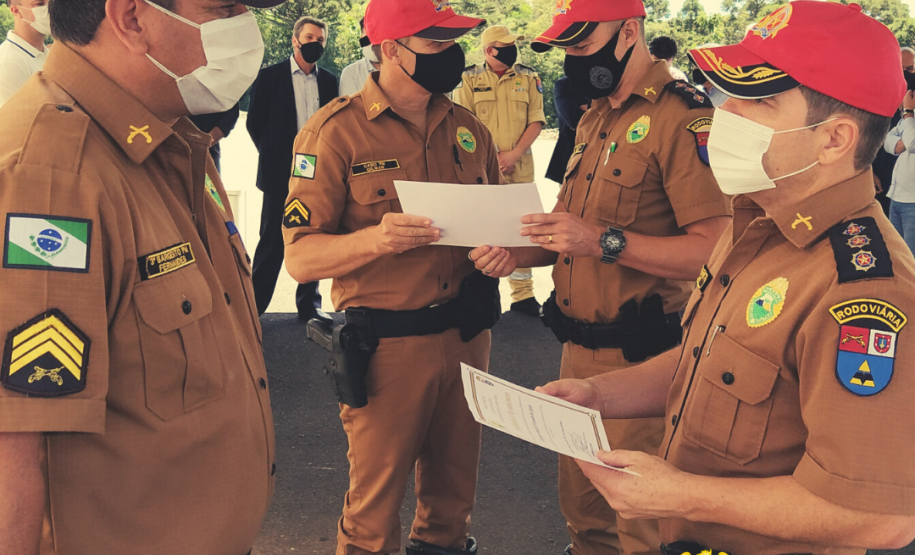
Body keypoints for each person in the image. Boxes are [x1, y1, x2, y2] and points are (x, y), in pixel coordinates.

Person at [538, 2, 915, 553]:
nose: (725, 114)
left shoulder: (864, 288)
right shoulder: (756, 225)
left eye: (757, 100)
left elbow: (880, 519)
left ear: (833, 139)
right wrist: (597, 394)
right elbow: (707, 358)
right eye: (728, 94)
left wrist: (681, 496)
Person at [0, 0, 280, 553]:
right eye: (223, 9)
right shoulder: (51, 176)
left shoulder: (169, 144)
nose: (245, 30)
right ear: (130, 18)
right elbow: (12, 446)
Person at [469, 1, 732, 553]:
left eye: (582, 45)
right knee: (585, 519)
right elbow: (568, 235)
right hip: (577, 354)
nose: (571, 59)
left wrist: (602, 242)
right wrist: (516, 254)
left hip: (645, 362)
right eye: (565, 48)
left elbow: (714, 252)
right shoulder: (596, 114)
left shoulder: (683, 115)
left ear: (630, 30)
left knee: (640, 525)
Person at [282, 0, 500, 553]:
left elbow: (510, 229)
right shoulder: (334, 133)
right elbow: (300, 259)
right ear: (389, 50)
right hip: (388, 348)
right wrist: (376, 239)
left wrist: (511, 253)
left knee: (453, 508)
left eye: (453, 44)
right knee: (373, 516)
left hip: (469, 339)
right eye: (435, 45)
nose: (450, 56)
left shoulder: (469, 129)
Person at [247, 16, 338, 320]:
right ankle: (253, 307)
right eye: (310, 37)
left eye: (321, 40)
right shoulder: (269, 77)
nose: (315, 44)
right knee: (271, 240)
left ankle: (309, 305)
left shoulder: (329, 81)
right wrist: (275, 154)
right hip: (278, 174)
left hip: (316, 173)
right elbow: (254, 122)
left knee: (313, 236)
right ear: (295, 40)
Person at [454, 24, 546, 317]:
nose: (512, 50)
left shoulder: (529, 77)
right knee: (480, 230)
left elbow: (536, 120)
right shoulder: (468, 78)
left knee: (522, 230)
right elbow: (462, 123)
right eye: (505, 46)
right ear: (488, 50)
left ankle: (523, 296)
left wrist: (515, 154)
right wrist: (491, 159)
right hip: (481, 167)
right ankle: (483, 294)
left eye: (513, 45)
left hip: (519, 166)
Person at [0, 0, 48, 107]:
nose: (49, 9)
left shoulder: (48, 54)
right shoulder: (8, 64)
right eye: (39, 4)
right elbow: (17, 120)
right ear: (16, 11)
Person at [545, 76, 589, 184]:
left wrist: (585, 108)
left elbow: (609, 112)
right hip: (570, 153)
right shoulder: (564, 84)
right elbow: (571, 117)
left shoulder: (603, 82)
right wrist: (593, 109)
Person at [189, 103, 240, 173]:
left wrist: (209, 139)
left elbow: (231, 111)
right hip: (173, 143)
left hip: (209, 149)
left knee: (210, 182)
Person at [339, 17, 380, 96]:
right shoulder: (352, 73)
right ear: (361, 37)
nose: (373, 45)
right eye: (368, 38)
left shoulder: (402, 68)